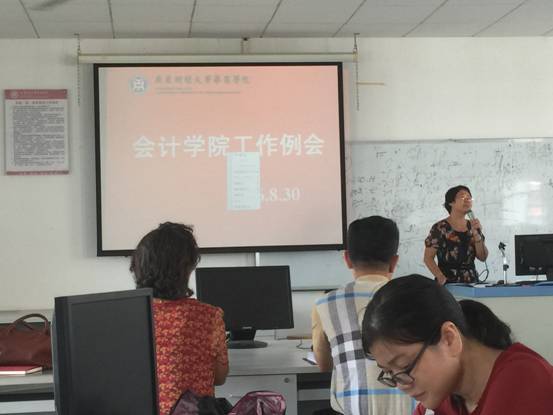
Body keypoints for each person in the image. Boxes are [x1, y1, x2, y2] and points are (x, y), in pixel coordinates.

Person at [361, 274, 553, 415]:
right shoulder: (443, 396)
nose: (402, 385)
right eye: (390, 373)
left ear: (449, 339)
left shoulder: (523, 382)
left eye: (404, 366)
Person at [311, 216, 413, 415]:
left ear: (347, 259)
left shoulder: (324, 304)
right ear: (394, 262)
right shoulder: (416, 298)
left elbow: (324, 365)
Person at [130, 222, 228, 415]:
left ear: (138, 265)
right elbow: (219, 377)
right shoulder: (209, 316)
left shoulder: (125, 315)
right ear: (187, 270)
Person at [424, 185, 488, 284]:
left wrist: (477, 237)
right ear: (451, 202)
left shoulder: (473, 225)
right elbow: (428, 258)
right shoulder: (440, 227)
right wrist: (440, 276)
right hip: (447, 283)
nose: (467, 200)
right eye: (463, 197)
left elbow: (483, 257)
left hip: (472, 282)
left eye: (469, 197)